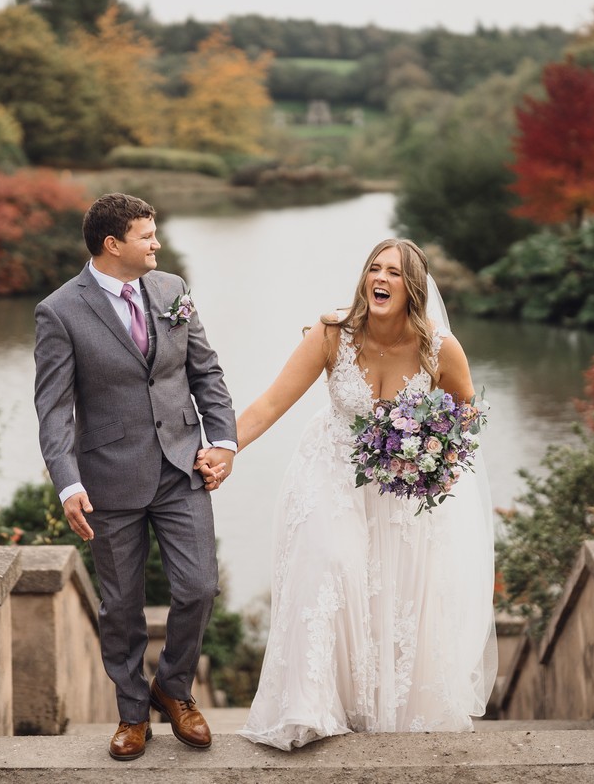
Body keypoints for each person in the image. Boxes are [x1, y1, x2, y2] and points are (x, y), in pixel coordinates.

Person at [196, 237, 497, 750]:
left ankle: (383, 713)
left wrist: (429, 454)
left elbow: (466, 415)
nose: (381, 279)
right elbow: (271, 402)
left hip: (401, 491)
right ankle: (309, 708)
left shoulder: (439, 348)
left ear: (414, 289)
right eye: (374, 269)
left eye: (395, 273)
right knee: (329, 567)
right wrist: (225, 448)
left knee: (393, 596)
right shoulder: (332, 333)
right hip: (330, 474)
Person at [34, 193, 239, 761]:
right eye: (147, 235)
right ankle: (131, 714)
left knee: (199, 586)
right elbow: (53, 410)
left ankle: (172, 690)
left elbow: (206, 370)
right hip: (109, 479)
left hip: (181, 466)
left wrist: (222, 441)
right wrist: (68, 482)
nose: (157, 244)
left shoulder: (172, 290)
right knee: (121, 607)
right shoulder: (59, 311)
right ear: (112, 244)